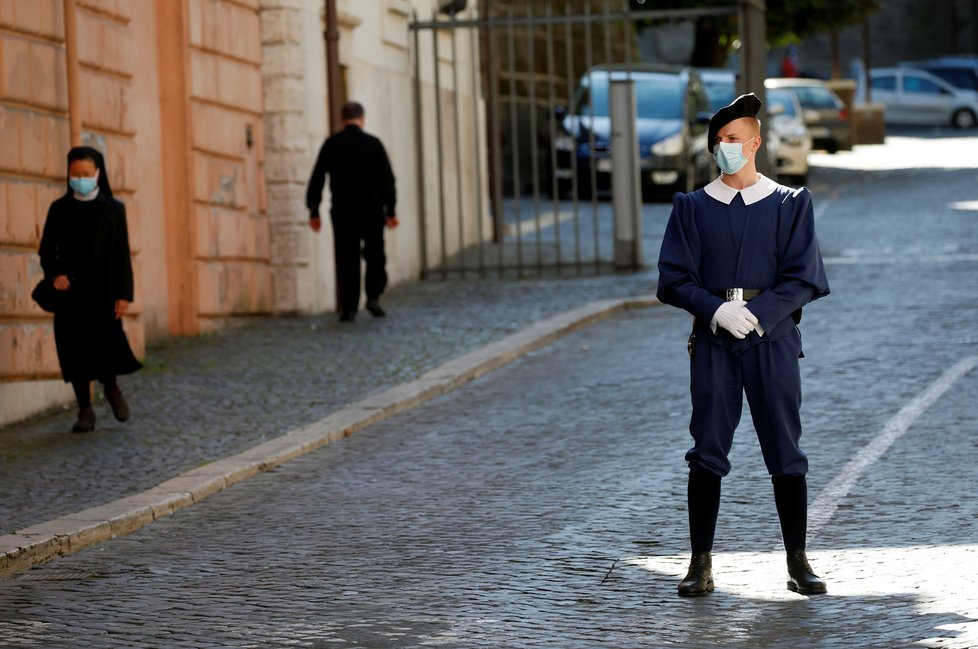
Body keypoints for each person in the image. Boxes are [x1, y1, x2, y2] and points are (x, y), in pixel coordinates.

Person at [656, 93, 830, 597]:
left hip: (772, 339)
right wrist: (715, 310)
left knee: (785, 448)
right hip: (713, 340)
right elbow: (672, 279)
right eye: (718, 142)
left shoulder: (791, 204)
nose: (724, 148)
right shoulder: (690, 207)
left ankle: (799, 562)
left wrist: (757, 313)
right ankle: (700, 564)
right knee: (707, 448)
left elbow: (805, 278)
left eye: (733, 140)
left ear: (754, 143)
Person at [38, 146, 142, 433]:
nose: (80, 178)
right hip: (70, 295)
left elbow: (122, 254)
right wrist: (54, 274)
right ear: (68, 174)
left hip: (104, 293)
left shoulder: (113, 209)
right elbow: (46, 249)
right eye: (75, 174)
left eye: (86, 174)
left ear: (98, 174)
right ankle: (84, 410)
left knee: (105, 347)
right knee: (74, 352)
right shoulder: (59, 209)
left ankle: (112, 390)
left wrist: (124, 294)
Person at [306, 101, 398, 322]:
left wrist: (314, 210)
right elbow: (388, 179)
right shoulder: (374, 144)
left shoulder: (332, 144)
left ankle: (349, 306)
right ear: (362, 119)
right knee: (375, 252)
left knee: (347, 257)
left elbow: (318, 177)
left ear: (341, 119)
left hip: (343, 209)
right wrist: (391, 210)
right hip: (372, 209)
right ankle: (373, 296)